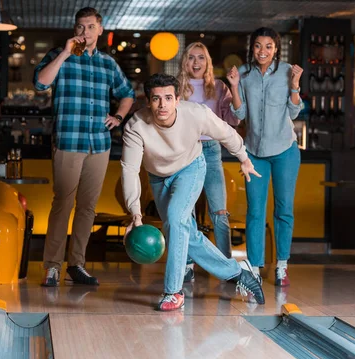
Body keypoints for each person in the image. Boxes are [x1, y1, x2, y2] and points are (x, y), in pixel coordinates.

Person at [121, 73, 265, 311]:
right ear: (148, 101)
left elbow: (227, 133)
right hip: (158, 177)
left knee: (177, 220)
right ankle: (239, 272)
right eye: (156, 99)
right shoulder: (136, 126)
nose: (162, 104)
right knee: (186, 232)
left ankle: (173, 292)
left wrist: (244, 157)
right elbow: (129, 170)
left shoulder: (196, 113)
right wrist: (135, 215)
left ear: (177, 99)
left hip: (190, 168)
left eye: (168, 98)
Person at [33, 7, 135, 287]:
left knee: (87, 208)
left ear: (100, 30)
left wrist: (118, 117)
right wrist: (66, 52)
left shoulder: (107, 64)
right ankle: (52, 266)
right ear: (74, 29)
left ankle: (76, 264)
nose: (84, 32)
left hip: (99, 143)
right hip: (68, 140)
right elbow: (41, 84)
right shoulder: (58, 55)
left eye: (90, 27)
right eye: (80, 27)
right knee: (62, 204)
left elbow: (128, 94)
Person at [227, 27, 303, 287]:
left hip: (285, 151)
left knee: (283, 209)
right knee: (255, 211)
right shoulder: (245, 74)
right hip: (254, 153)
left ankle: (282, 265)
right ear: (252, 48)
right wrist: (235, 86)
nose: (262, 51)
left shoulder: (286, 72)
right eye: (258, 46)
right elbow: (239, 114)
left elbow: (293, 112)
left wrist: (294, 86)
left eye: (268, 46)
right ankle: (255, 267)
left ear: (276, 48)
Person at [177, 42, 240, 283]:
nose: (196, 63)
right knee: (186, 212)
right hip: (186, 150)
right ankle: (187, 264)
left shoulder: (219, 87)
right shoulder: (178, 87)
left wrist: (234, 88)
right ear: (185, 62)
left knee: (220, 212)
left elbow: (233, 120)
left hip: (212, 150)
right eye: (191, 57)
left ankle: (226, 267)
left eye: (201, 58)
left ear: (207, 62)